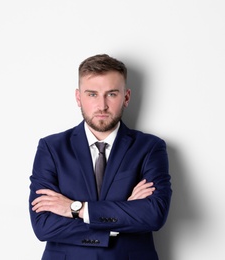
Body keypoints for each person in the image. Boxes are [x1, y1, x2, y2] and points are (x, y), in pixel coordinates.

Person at [29, 54, 172, 260]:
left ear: (126, 97)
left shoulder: (150, 148)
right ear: (79, 97)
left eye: (112, 94)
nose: (102, 105)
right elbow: (43, 225)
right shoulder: (51, 148)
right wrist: (125, 213)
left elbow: (153, 215)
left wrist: (75, 209)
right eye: (92, 94)